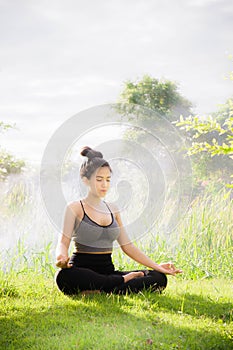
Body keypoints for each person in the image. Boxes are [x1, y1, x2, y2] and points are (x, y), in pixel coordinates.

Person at [55, 146, 182, 295]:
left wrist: (158, 267)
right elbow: (63, 242)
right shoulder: (75, 208)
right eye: (99, 179)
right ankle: (119, 284)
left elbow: (128, 247)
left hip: (108, 272)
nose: (104, 185)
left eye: (108, 180)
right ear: (85, 180)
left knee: (158, 278)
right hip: (82, 271)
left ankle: (102, 289)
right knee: (64, 277)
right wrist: (61, 257)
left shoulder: (113, 209)